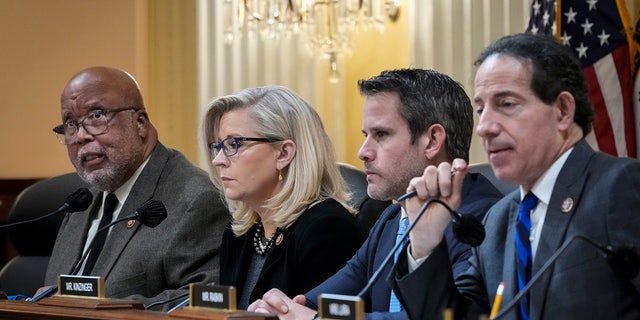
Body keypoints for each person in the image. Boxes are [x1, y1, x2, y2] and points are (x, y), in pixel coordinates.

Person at [393, 33, 640, 320]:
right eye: (481, 109)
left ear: (562, 111)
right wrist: (425, 244)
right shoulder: (498, 220)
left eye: (506, 104)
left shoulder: (620, 187)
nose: (484, 127)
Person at [247, 69, 504, 319]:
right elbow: (318, 302)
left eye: (381, 134)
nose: (363, 152)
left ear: (433, 140)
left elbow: (443, 315)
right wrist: (277, 309)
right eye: (365, 135)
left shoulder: (486, 220)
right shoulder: (392, 218)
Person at [43, 66, 229, 311]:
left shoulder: (196, 199)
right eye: (70, 124)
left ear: (140, 123)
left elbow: (203, 304)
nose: (80, 136)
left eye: (96, 116)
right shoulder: (81, 204)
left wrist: (105, 310)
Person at [202, 86, 366, 309]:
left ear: (284, 154)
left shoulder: (328, 230)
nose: (218, 160)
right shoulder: (239, 232)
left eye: (234, 144)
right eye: (219, 146)